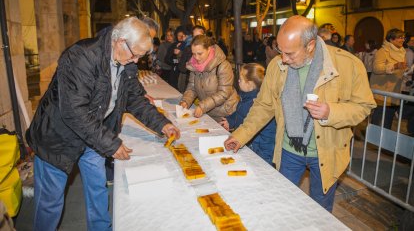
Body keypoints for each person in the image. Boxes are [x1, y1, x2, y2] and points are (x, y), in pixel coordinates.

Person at [26, 17, 181, 231]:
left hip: (93, 133)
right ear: (120, 41)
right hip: (57, 137)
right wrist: (111, 144)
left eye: (140, 56)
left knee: (98, 189)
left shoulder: (126, 62)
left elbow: (134, 98)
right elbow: (73, 111)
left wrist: (162, 124)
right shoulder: (81, 56)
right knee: (50, 203)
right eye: (135, 54)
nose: (136, 61)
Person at [224, 15, 376, 212]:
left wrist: (331, 111)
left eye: (290, 53)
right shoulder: (277, 66)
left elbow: (363, 106)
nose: (283, 59)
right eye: (280, 51)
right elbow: (263, 106)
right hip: (288, 150)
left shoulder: (348, 65)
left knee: (318, 211)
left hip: (327, 151)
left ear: (310, 45)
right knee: (281, 205)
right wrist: (241, 135)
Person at [219, 63, 276, 165]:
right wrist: (230, 121)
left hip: (257, 150)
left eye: (241, 79)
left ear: (250, 84)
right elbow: (239, 114)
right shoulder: (245, 97)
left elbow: (268, 136)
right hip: (246, 143)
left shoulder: (257, 104)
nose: (238, 81)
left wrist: (264, 159)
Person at [180, 35, 239, 122]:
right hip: (207, 112)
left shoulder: (223, 65)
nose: (196, 57)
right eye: (193, 54)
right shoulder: (194, 65)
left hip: (225, 114)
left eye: (200, 53)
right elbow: (192, 87)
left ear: (209, 49)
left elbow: (224, 93)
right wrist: (186, 101)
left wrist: (203, 106)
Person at [370, 28, 409, 130]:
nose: (403, 40)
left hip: (394, 91)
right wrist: (395, 66)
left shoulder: (402, 52)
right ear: (391, 39)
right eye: (400, 37)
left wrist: (407, 71)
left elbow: (400, 70)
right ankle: (374, 143)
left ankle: (383, 144)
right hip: (382, 92)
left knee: (388, 121)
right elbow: (376, 69)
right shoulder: (383, 51)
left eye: (403, 37)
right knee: (379, 120)